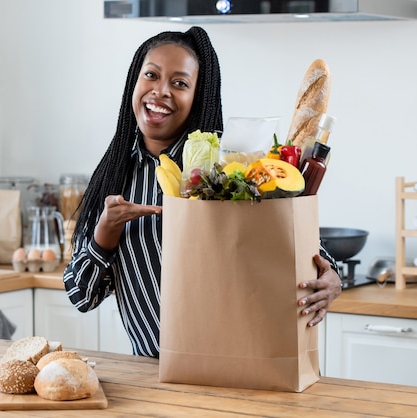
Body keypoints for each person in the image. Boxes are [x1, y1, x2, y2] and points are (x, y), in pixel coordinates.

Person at [62, 26, 342, 358]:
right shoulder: (113, 180)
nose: (160, 91)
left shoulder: (235, 163)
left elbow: (307, 249)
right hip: (158, 379)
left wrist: (332, 278)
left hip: (253, 367)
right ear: (134, 84)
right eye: (151, 75)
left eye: (179, 83)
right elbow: (82, 297)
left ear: (199, 95)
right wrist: (104, 236)